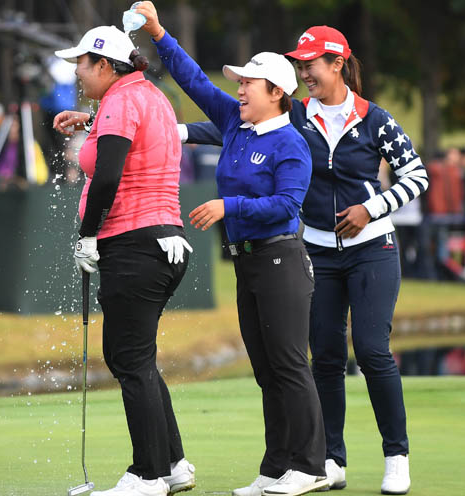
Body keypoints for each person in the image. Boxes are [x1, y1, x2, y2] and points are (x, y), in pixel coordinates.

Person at [182, 24, 428, 495]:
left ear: (338, 64)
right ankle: (331, 459)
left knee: (372, 350)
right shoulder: (296, 115)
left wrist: (371, 208)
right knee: (325, 358)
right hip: (315, 248)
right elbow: (228, 127)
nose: (304, 73)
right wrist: (171, 132)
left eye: (311, 64)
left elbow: (416, 176)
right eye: (299, 66)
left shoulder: (375, 119)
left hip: (373, 247)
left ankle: (396, 457)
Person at [137, 3, 328, 496]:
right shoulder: (235, 123)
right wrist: (159, 33)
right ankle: (276, 466)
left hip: (282, 260)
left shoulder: (292, 144)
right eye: (239, 82)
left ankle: (310, 465)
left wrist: (229, 206)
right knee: (266, 370)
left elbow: (287, 205)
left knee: (289, 365)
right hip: (248, 262)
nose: (239, 89)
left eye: (248, 83)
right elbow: (194, 82)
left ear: (277, 93)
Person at [52, 25, 196, 496]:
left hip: (134, 244)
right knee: (136, 358)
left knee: (129, 359)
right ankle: (171, 464)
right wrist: (92, 123)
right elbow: (132, 142)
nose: (77, 72)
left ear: (104, 65)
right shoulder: (146, 95)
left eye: (81, 63)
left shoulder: (120, 101)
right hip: (161, 242)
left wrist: (87, 236)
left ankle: (148, 475)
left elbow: (109, 174)